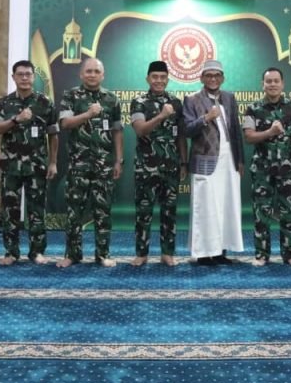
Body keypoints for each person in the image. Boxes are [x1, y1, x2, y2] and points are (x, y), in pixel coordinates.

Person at [0, 60, 59, 265]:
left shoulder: (45, 103)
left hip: (37, 166)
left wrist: (53, 162)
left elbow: (53, 134)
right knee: (9, 210)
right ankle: (11, 252)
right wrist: (15, 120)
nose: (24, 78)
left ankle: (37, 252)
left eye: (28, 74)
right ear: (13, 77)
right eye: (20, 74)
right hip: (11, 166)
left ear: (33, 77)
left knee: (36, 210)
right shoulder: (4, 103)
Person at [56, 57, 123, 268]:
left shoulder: (111, 99)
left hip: (104, 166)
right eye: (88, 71)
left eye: (96, 71)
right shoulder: (70, 95)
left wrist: (118, 160)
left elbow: (117, 130)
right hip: (78, 165)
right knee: (74, 213)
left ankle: (103, 255)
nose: (92, 75)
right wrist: (87, 114)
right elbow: (65, 123)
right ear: (81, 74)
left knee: (103, 212)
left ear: (103, 75)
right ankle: (72, 254)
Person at [183, 59, 244, 266]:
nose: (213, 79)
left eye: (217, 75)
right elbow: (187, 130)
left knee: (226, 205)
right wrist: (206, 118)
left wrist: (240, 160)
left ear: (223, 78)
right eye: (208, 75)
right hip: (205, 160)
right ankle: (203, 253)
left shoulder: (229, 98)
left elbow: (235, 131)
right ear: (201, 78)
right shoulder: (192, 99)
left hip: (229, 160)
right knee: (206, 207)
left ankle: (219, 252)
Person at [243, 67, 291, 267]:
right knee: (261, 214)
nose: (272, 84)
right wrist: (270, 132)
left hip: (288, 169)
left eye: (276, 81)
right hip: (262, 169)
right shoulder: (253, 108)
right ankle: (262, 255)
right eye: (268, 81)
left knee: (289, 212)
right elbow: (249, 137)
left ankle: (290, 254)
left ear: (282, 84)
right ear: (262, 84)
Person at [129, 60, 186, 267]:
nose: (159, 81)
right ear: (148, 79)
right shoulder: (139, 102)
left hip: (170, 166)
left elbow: (181, 136)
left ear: (167, 79)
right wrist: (161, 115)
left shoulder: (176, 102)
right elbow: (140, 130)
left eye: (163, 77)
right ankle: (141, 253)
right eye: (155, 77)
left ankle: (167, 253)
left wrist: (184, 163)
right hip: (146, 167)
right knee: (143, 212)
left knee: (169, 211)